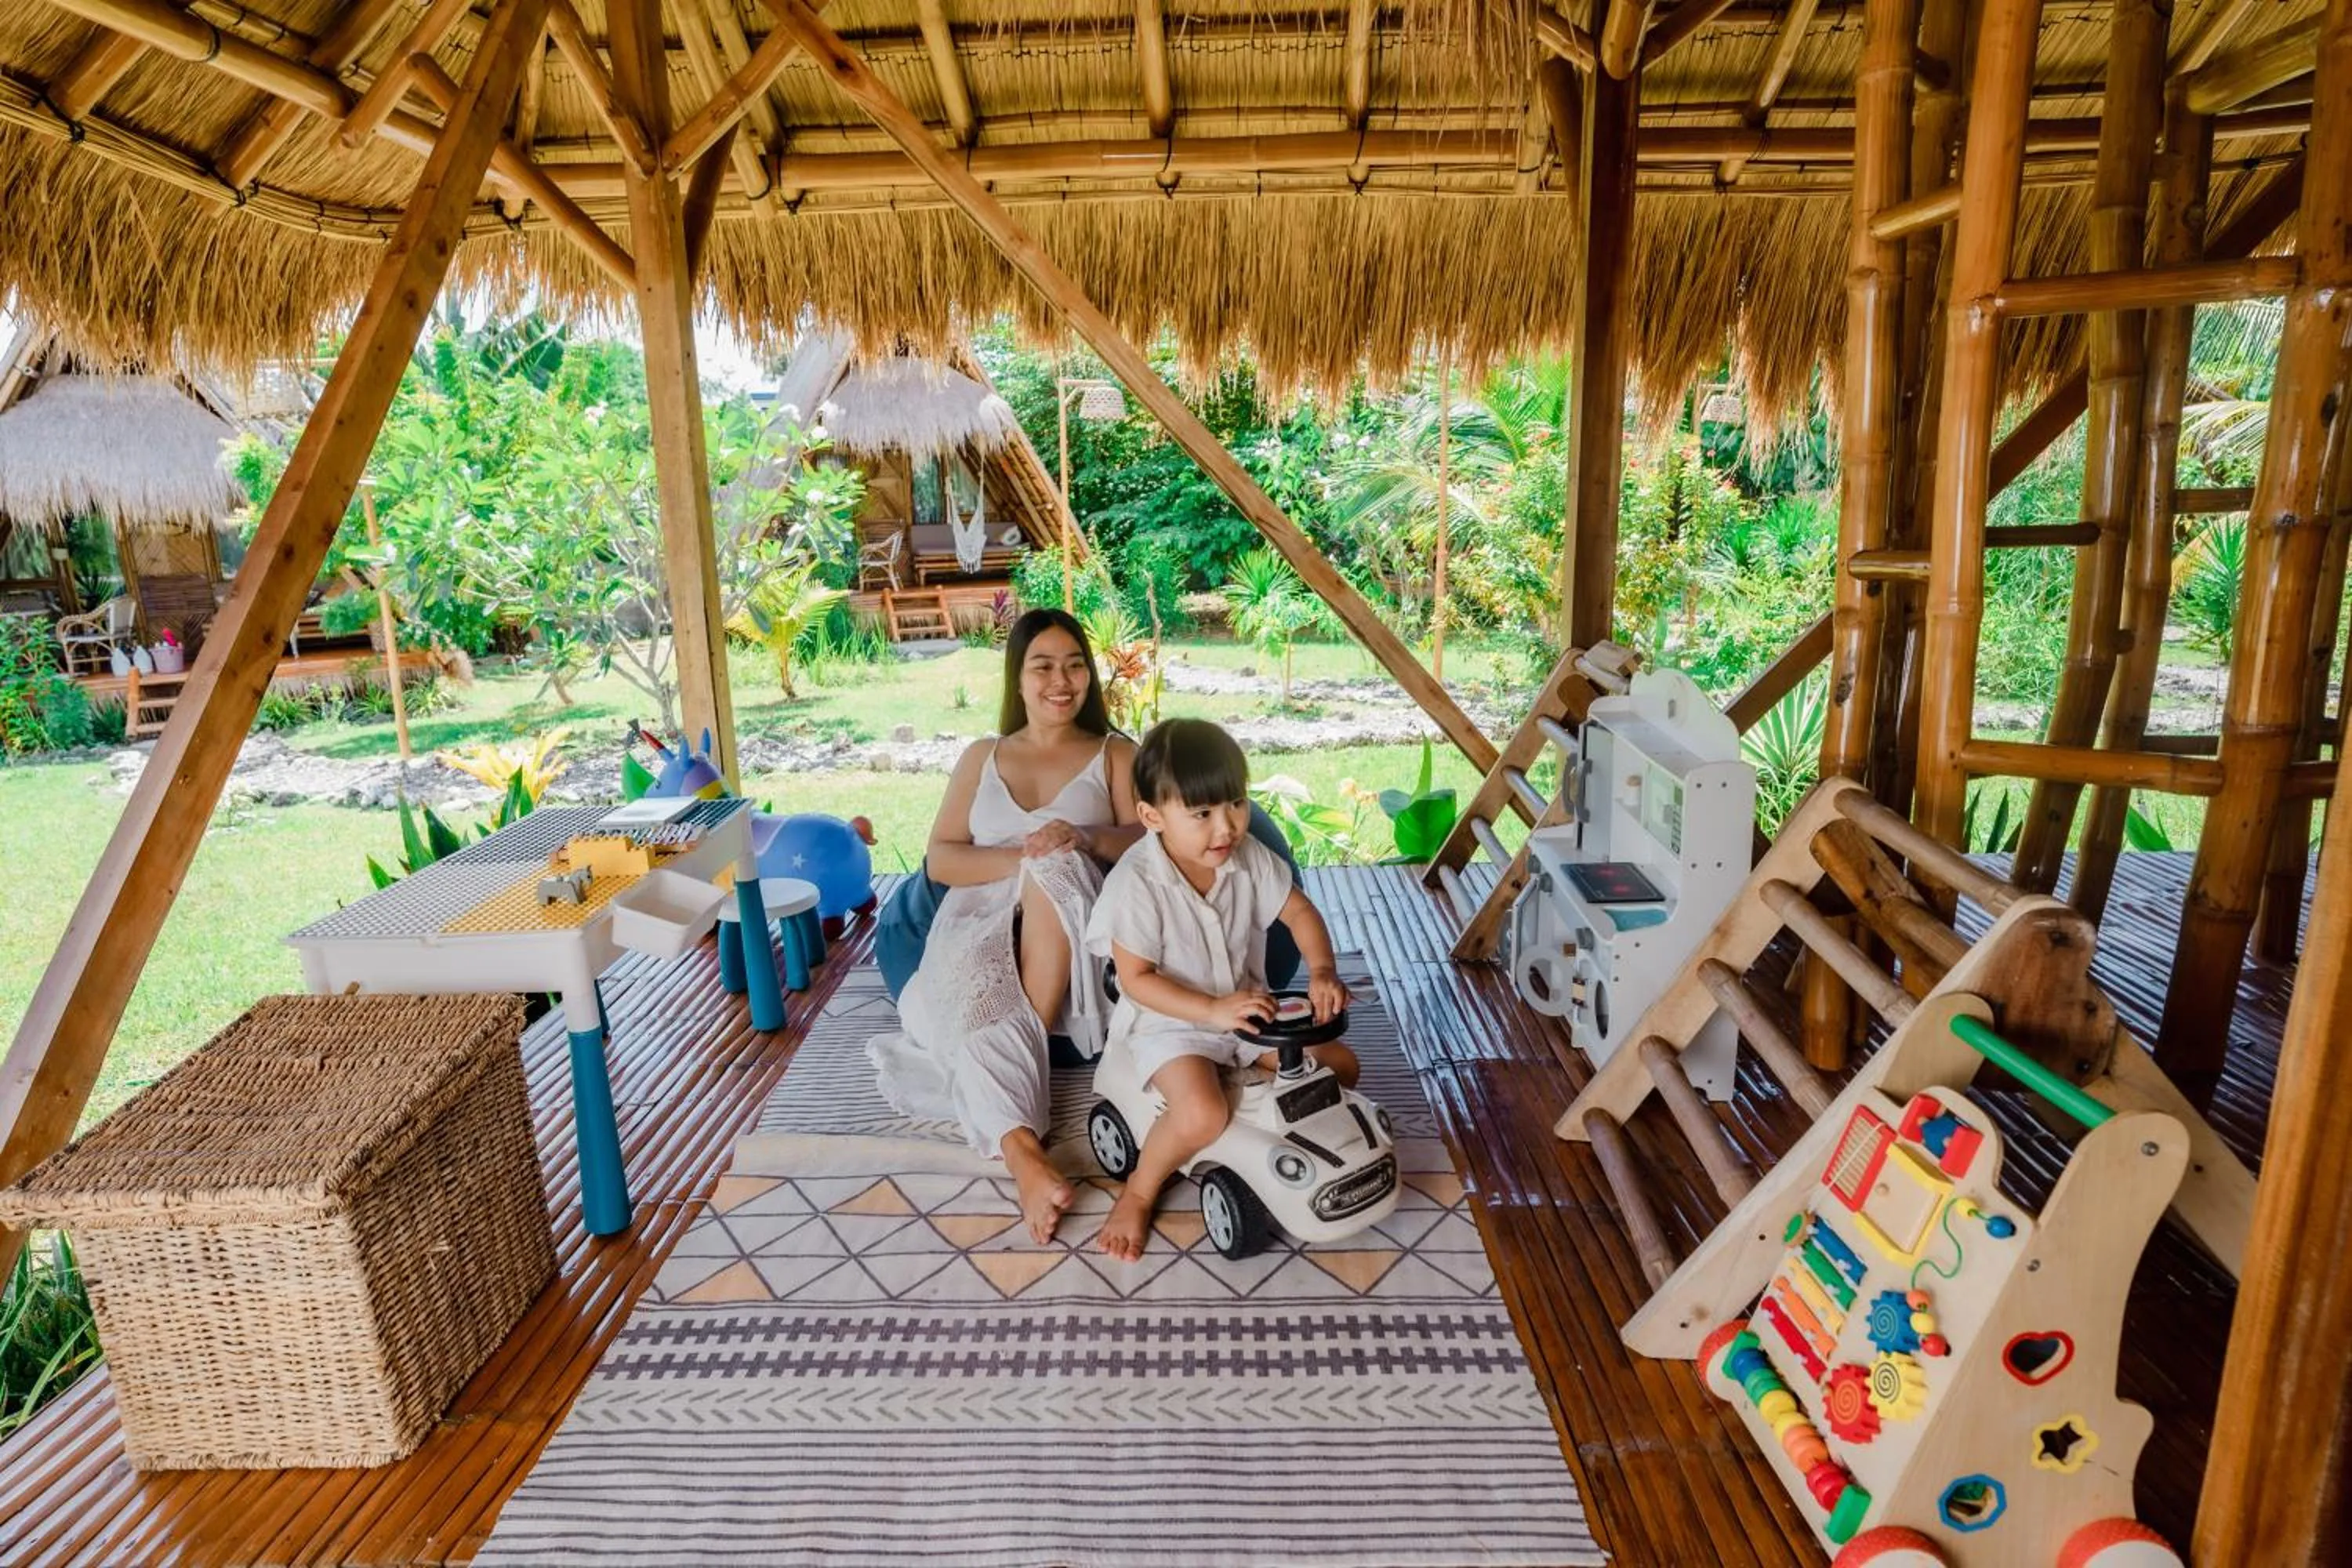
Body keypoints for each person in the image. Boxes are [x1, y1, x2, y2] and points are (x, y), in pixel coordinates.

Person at [867, 609, 1142, 1245]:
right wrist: (1021, 860)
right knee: (972, 993)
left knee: (1056, 867)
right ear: (1017, 679)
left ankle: (1018, 1113)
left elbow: (1144, 842)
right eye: (1042, 666)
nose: (1061, 680)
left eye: (1075, 665)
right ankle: (1024, 1153)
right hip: (980, 915)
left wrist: (1080, 838)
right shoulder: (982, 757)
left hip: (1071, 908)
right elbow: (941, 856)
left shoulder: (1115, 754)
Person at [1086, 718, 1358, 1262]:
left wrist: (1323, 969)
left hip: (1246, 1006)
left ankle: (1258, 1079)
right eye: (1203, 813)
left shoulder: (1247, 855)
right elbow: (1136, 980)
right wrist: (1210, 1011)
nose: (1226, 826)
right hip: (1172, 1023)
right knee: (1202, 1114)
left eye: (1236, 802)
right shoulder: (1137, 883)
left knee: (1340, 1067)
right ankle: (1139, 1190)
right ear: (1152, 817)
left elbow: (1299, 911)